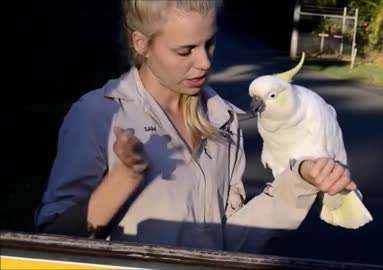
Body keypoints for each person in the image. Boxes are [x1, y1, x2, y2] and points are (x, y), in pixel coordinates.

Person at [34, 0, 357, 253]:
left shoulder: (224, 120)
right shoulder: (97, 114)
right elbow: (51, 238)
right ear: (141, 43)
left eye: (210, 44)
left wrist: (298, 180)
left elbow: (230, 242)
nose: (204, 62)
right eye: (185, 50)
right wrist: (123, 179)